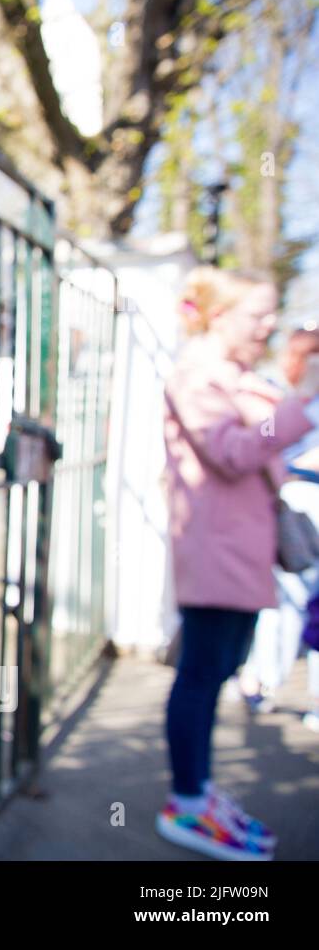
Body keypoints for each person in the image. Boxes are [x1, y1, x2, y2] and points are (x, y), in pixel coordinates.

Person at [160, 267, 319, 860]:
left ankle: (197, 791)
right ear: (222, 317)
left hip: (239, 549)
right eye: (259, 316)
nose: (269, 326)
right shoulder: (199, 375)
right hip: (218, 550)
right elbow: (233, 451)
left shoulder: (233, 374)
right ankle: (187, 802)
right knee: (202, 676)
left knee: (219, 667)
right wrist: (303, 404)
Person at [239, 327, 319, 724]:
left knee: (302, 600)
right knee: (282, 596)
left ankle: (273, 679)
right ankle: (261, 676)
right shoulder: (273, 398)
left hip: (302, 499)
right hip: (286, 504)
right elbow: (263, 440)